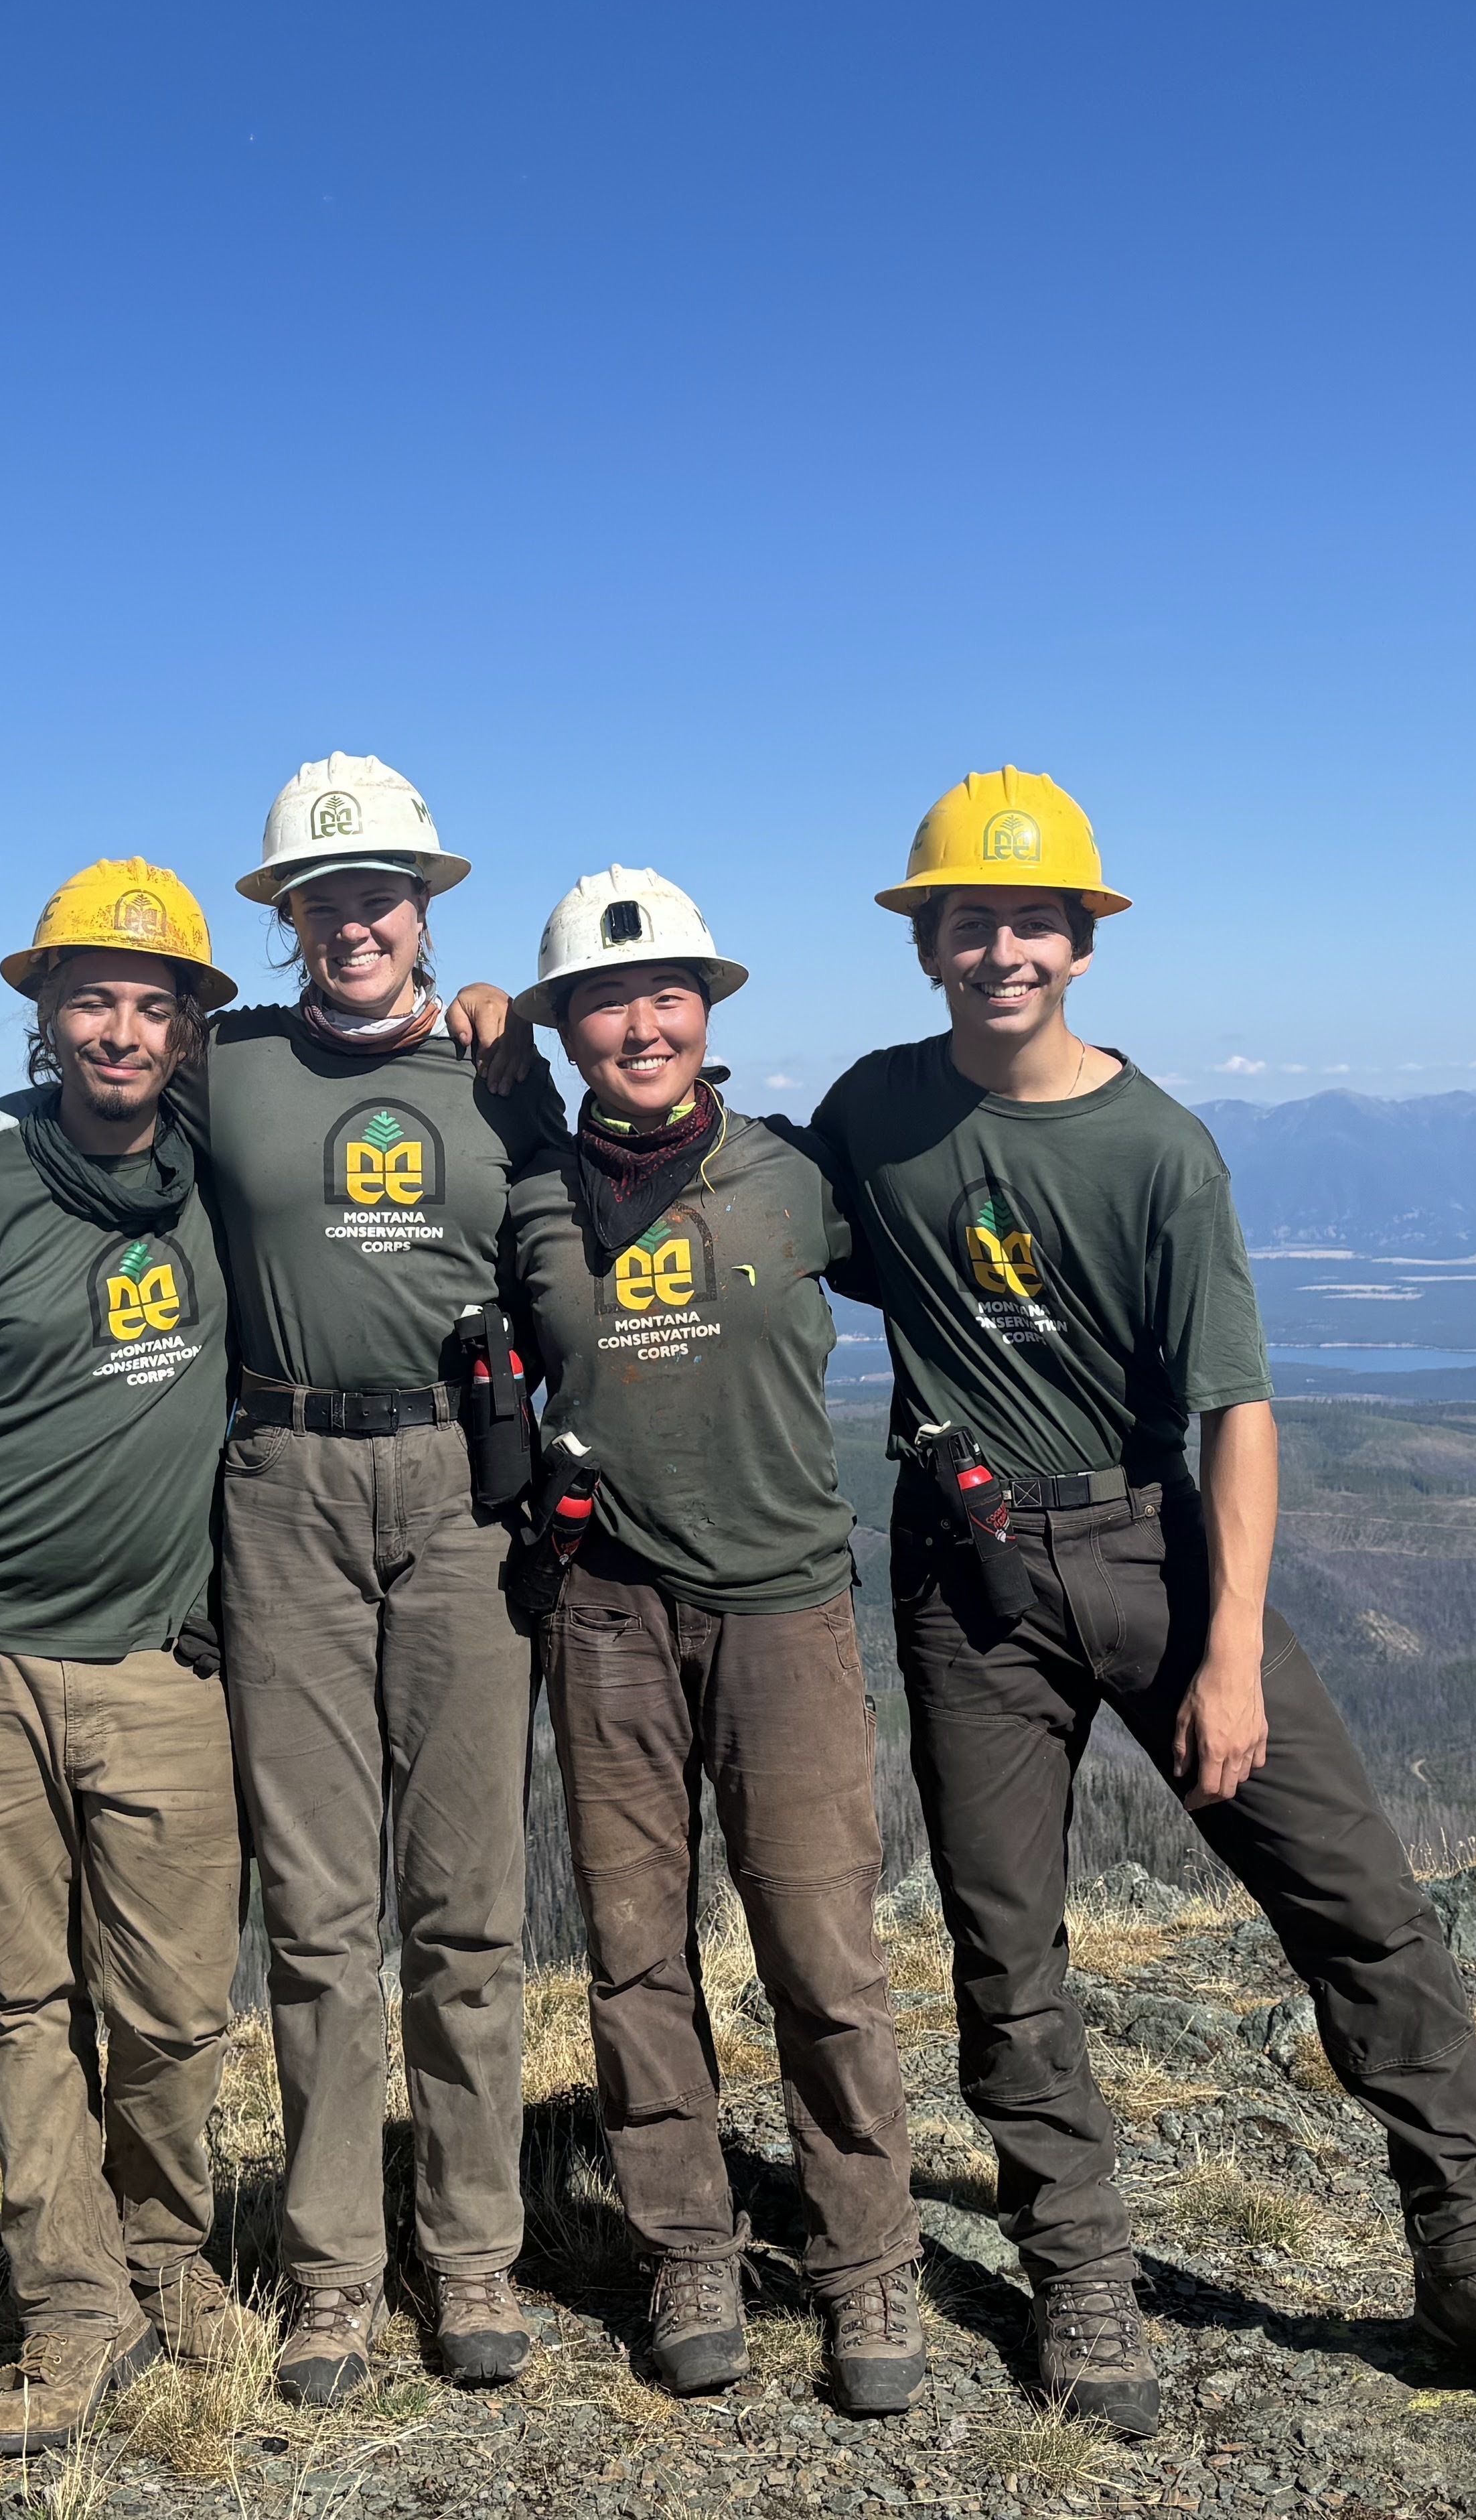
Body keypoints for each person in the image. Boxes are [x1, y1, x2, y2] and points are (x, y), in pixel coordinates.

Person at [802, 767, 1476, 2436]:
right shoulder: (872, 1111)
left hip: (1158, 1548)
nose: (1000, 948)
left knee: (1360, 1904)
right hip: (966, 1573)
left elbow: (1242, 1412)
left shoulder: (1161, 1151)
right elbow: (725, 1189)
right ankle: (1080, 2275)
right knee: (1005, 1944)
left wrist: (1230, 1657)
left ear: (1081, 943)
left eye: (1029, 920)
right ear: (924, 943)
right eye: (967, 920)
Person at [0, 755, 559, 2404]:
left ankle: (472, 2255)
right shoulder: (230, 1067)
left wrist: (505, 1015)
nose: (357, 921)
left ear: (426, 905)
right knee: (323, 1919)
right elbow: (68, 1099)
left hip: (465, 1490)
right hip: (284, 1485)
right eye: (324, 897)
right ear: (286, 919)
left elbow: (606, 1176)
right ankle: (332, 2274)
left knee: (467, 1909)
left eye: (384, 894)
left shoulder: (499, 1064)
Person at [497, 869, 925, 2414]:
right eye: (606, 1001)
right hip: (605, 1608)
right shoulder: (530, 1197)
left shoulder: (795, 1178)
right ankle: (687, 2243)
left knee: (823, 1949)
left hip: (784, 1604)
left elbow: (956, 1239)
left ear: (710, 1011)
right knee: (633, 1954)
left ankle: (866, 2257)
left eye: (668, 993)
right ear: (563, 1026)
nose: (642, 1023)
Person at [0, 858, 254, 2459]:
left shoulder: (227, 1169)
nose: (121, 1029)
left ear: (187, 1029)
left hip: (165, 1660)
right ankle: (70, 2307)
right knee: (26, 2002)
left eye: (153, 1004)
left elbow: (351, 1057)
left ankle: (170, 2251)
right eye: (91, 997)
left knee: (171, 2009)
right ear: (42, 1015)